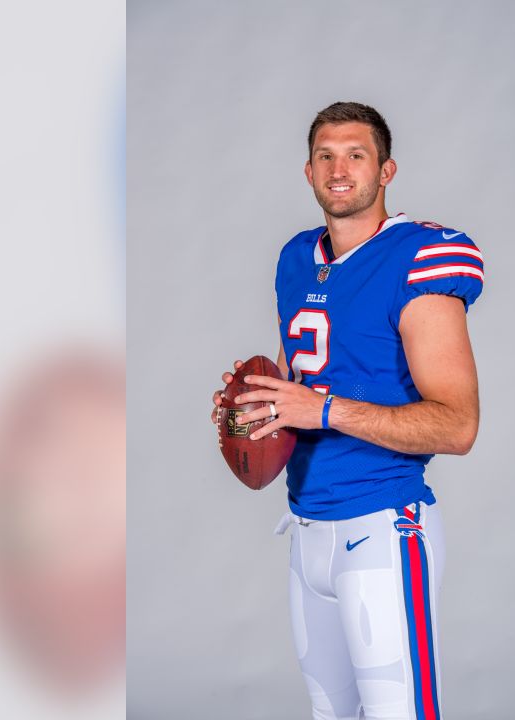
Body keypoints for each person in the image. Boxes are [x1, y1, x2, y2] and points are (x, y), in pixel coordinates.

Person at [211, 101, 483, 720]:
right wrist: (257, 406)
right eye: (325, 156)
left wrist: (322, 410)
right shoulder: (294, 258)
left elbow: (458, 425)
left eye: (356, 155)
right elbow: (297, 382)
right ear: (307, 171)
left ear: (386, 171)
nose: (339, 169)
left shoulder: (418, 258)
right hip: (307, 532)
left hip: (385, 528)